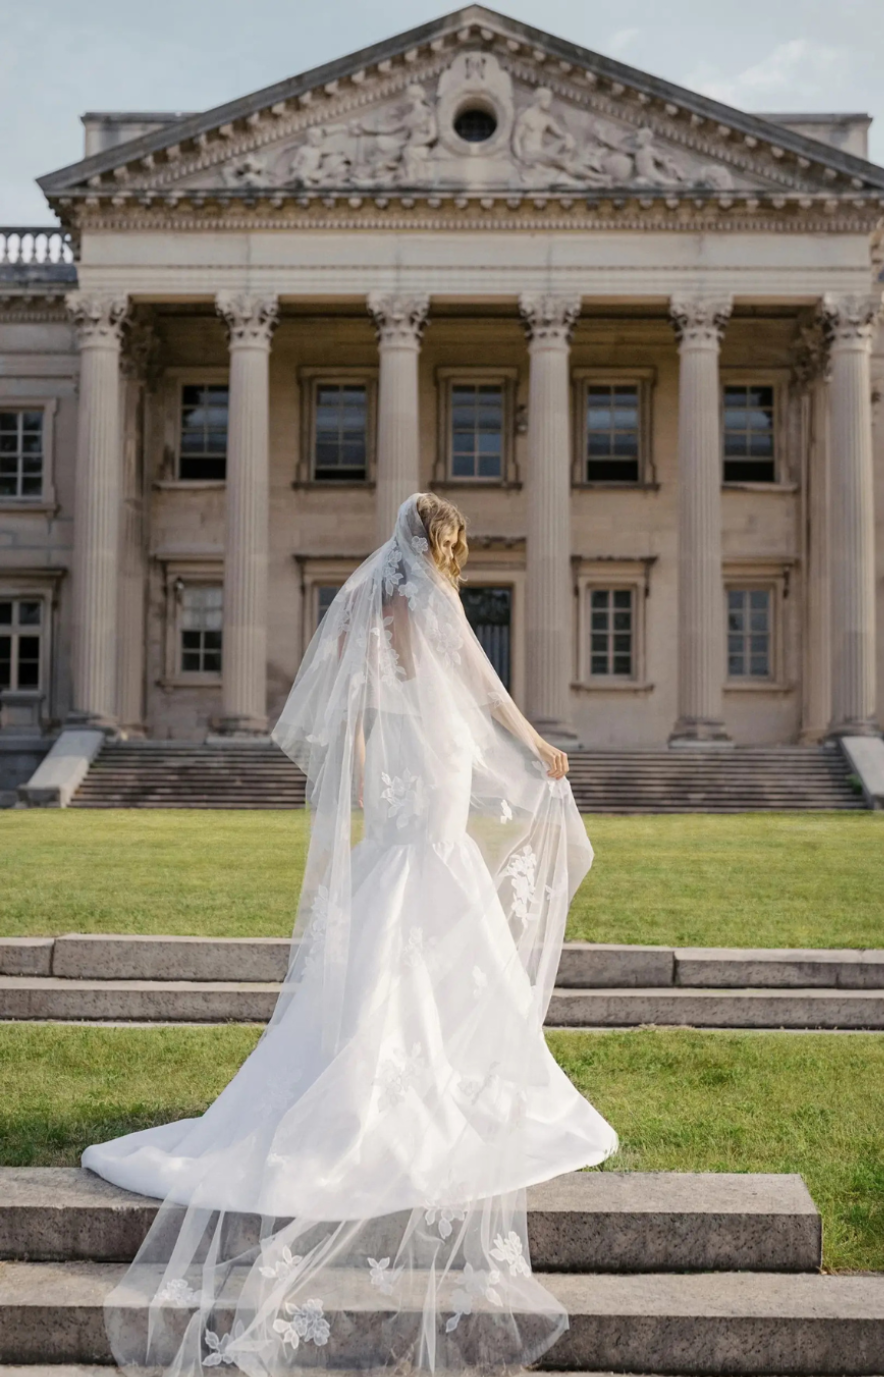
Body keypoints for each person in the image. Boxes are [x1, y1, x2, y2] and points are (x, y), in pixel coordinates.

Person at [83, 493, 618, 1377]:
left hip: (410, 768)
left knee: (407, 888)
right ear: (438, 542)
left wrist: (367, 779)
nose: (458, 557)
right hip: (437, 765)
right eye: (455, 544)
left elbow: (351, 706)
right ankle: (427, 1066)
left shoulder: (374, 603)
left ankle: (395, 1051)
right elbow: (485, 691)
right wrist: (537, 745)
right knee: (441, 885)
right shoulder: (434, 600)